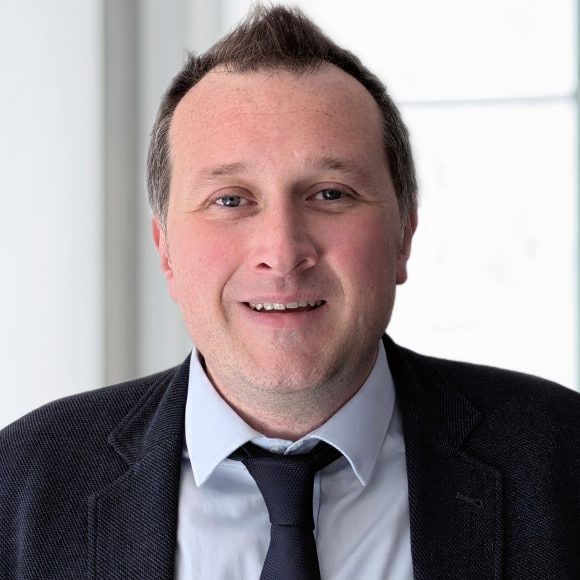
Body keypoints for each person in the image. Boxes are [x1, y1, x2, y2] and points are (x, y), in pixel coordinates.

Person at [1, 5, 579, 579]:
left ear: (403, 235)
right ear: (166, 251)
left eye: (330, 194)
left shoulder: (563, 459)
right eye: (231, 200)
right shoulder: (22, 484)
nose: (282, 251)